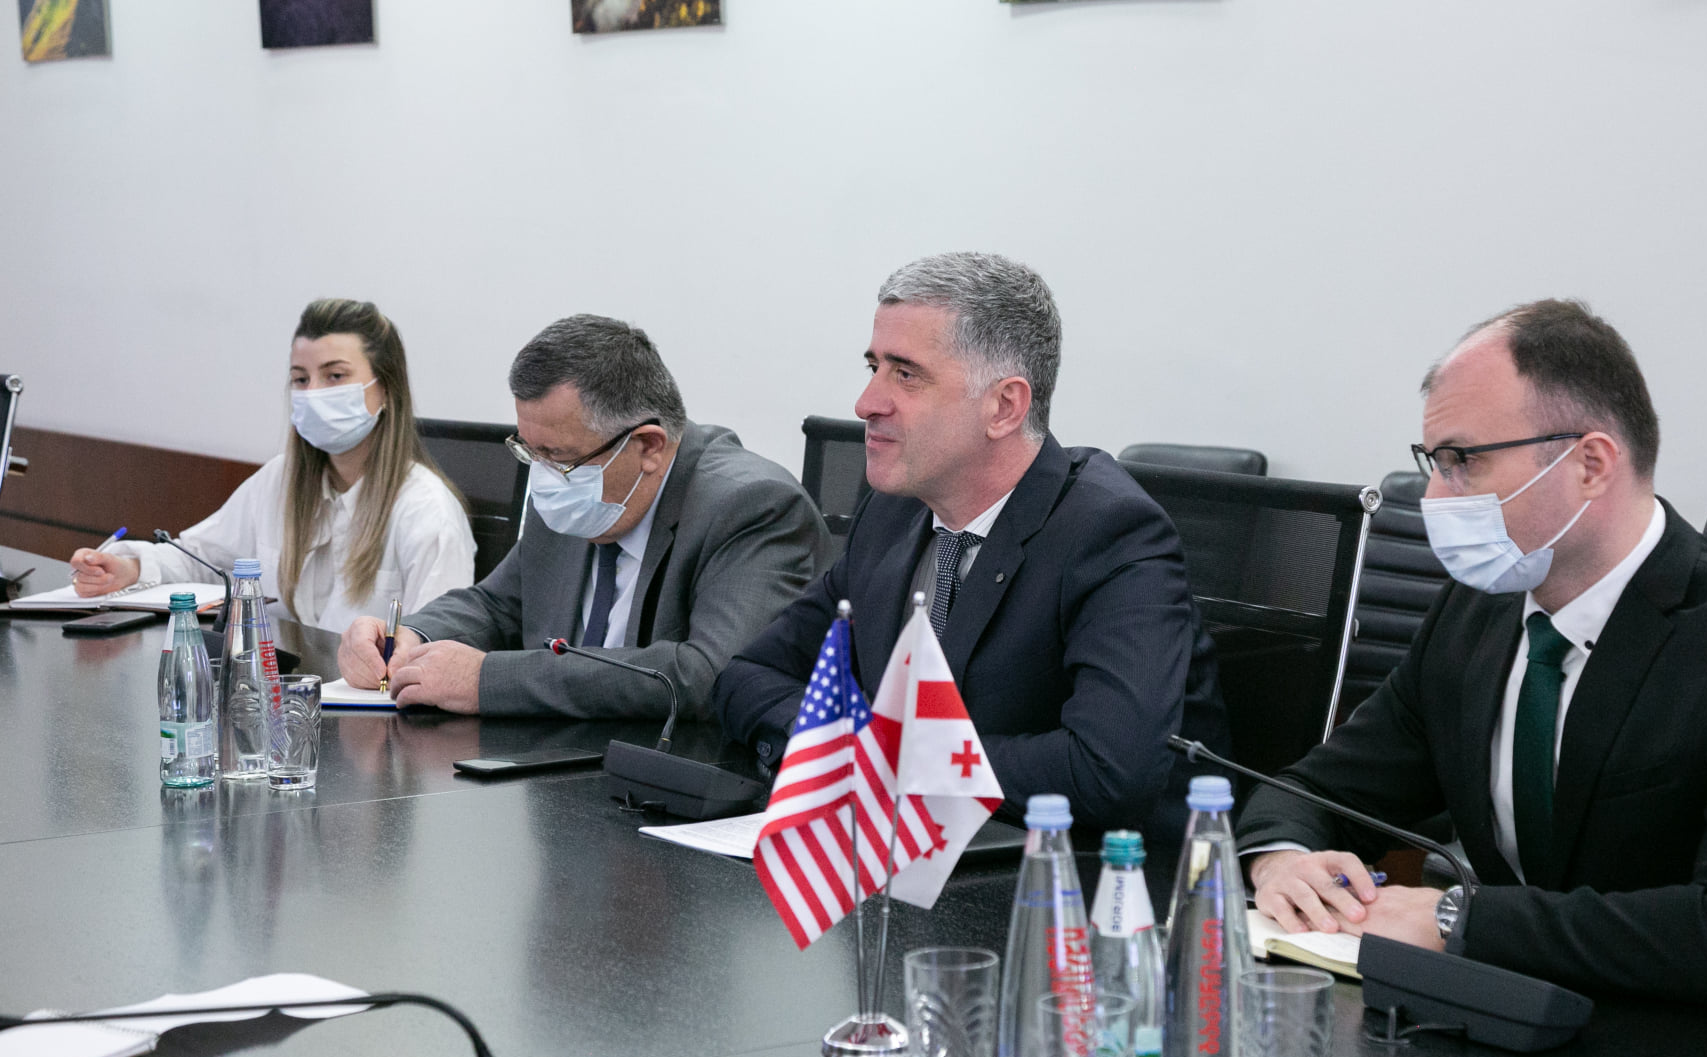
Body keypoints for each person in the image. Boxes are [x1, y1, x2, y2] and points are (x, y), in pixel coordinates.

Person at [1239, 299, 1707, 1027]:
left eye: (1463, 461)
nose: (1432, 497)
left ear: (1590, 464)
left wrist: (1459, 918)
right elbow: (1314, 791)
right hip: (1532, 1022)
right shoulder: (1474, 614)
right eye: (1433, 463)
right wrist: (1282, 860)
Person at [713, 252, 1229, 838]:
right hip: (915, 847)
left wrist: (895, 757)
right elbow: (750, 675)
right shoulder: (893, 511)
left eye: (906, 375)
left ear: (1004, 407)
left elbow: (1108, 771)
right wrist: (850, 748)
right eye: (874, 367)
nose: (866, 403)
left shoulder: (1112, 535)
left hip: (1084, 875)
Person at [337, 314, 831, 720]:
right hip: (556, 767)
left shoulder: (752, 506)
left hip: (678, 784)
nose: (543, 476)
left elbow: (711, 675)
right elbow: (498, 605)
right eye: (531, 452)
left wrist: (490, 680)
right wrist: (411, 636)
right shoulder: (576, 486)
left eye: (557, 456)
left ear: (648, 446)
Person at [68, 299, 474, 633]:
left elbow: (437, 645)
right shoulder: (279, 480)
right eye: (301, 379)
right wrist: (130, 567)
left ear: (385, 388)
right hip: (274, 688)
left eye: (335, 376)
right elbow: (203, 560)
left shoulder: (428, 512)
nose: (313, 393)